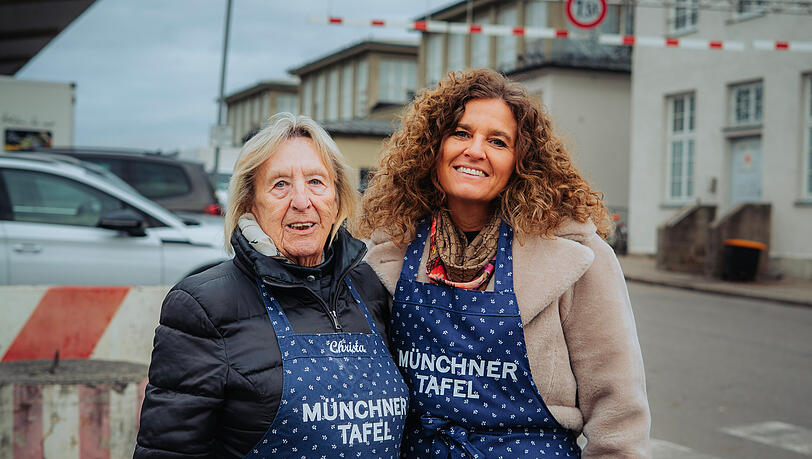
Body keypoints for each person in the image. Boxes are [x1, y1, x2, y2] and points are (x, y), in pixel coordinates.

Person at [356, 69, 650, 458]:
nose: (475, 150)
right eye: (461, 133)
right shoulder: (388, 248)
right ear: (432, 147)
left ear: (520, 161)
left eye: (497, 141)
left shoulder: (578, 258)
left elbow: (619, 416)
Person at [135, 113, 408, 458]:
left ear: (337, 198)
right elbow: (169, 451)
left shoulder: (372, 290)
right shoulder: (203, 306)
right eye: (280, 184)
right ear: (250, 202)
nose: (301, 201)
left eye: (316, 182)